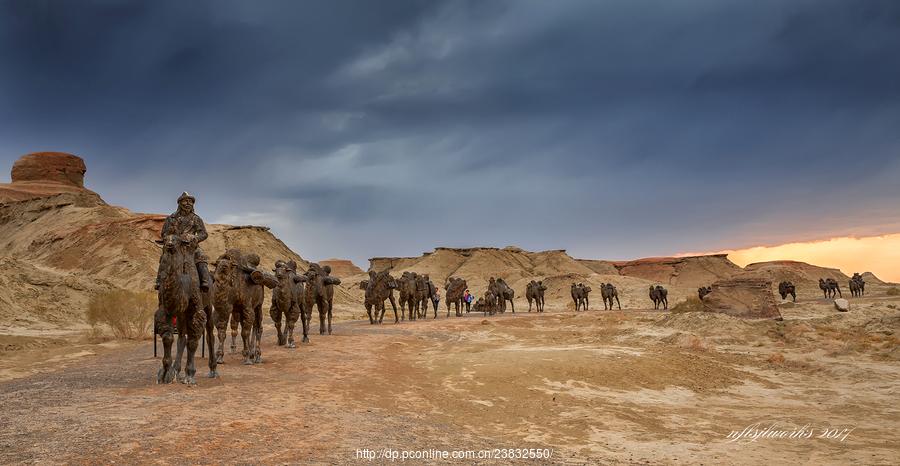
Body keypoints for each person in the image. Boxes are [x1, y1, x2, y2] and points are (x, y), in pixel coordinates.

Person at [155, 192, 211, 291]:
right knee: (165, 256)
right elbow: (164, 233)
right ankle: (159, 280)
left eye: (190, 201)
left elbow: (204, 234)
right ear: (180, 203)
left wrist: (194, 237)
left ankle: (204, 281)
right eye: (185, 201)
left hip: (191, 246)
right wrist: (171, 238)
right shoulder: (171, 218)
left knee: (200, 256)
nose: (188, 203)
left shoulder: (196, 219)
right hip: (175, 245)